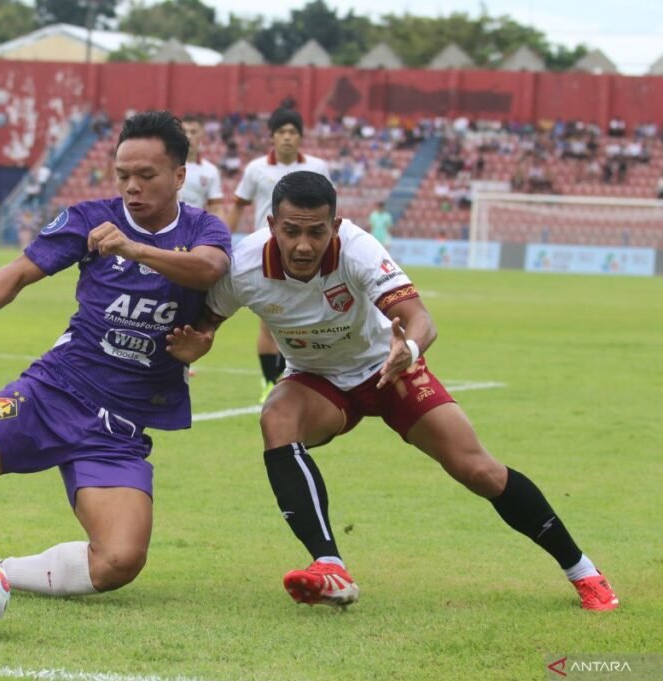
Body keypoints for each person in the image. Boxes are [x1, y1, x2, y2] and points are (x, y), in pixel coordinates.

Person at [167, 171, 619, 612]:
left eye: (316, 232)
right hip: (317, 381)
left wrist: (411, 348)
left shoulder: (358, 249)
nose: (303, 245)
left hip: (388, 369)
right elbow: (206, 324)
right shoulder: (245, 264)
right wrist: (197, 345)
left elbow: (420, 318)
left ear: (336, 227)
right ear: (271, 226)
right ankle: (330, 567)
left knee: (478, 469)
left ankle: (584, 573)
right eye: (291, 231)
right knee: (276, 418)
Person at [0, 111, 231, 598]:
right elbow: (20, 270)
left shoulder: (205, 229)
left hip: (117, 429)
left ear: (179, 176)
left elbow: (207, 271)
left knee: (119, 561)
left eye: (146, 176)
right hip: (54, 391)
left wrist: (134, 248)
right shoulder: (90, 219)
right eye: (123, 176)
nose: (132, 188)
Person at [225, 108, 330, 402]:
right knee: (269, 320)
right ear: (272, 137)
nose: (287, 137)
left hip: (308, 255)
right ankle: (270, 382)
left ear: (300, 137)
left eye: (292, 132)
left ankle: (297, 376)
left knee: (307, 317)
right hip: (268, 254)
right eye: (281, 132)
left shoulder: (319, 167)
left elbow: (330, 210)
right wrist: (221, 241)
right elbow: (238, 205)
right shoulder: (256, 168)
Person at [179, 115, 224, 219]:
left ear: (202, 135)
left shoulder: (210, 171)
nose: (188, 136)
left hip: (194, 230)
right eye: (184, 132)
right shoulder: (168, 165)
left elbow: (216, 209)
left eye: (193, 132)